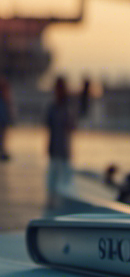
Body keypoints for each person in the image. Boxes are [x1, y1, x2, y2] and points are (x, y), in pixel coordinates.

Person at [44, 76, 75, 209]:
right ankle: (52, 201)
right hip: (54, 147)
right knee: (52, 178)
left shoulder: (67, 107)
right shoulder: (52, 107)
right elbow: (48, 126)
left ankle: (64, 202)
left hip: (64, 148)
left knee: (65, 177)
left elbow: (72, 127)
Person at [0, 78, 12, 161]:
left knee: (3, 138)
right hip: (2, 123)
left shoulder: (5, 100)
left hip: (3, 123)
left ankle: (2, 151)